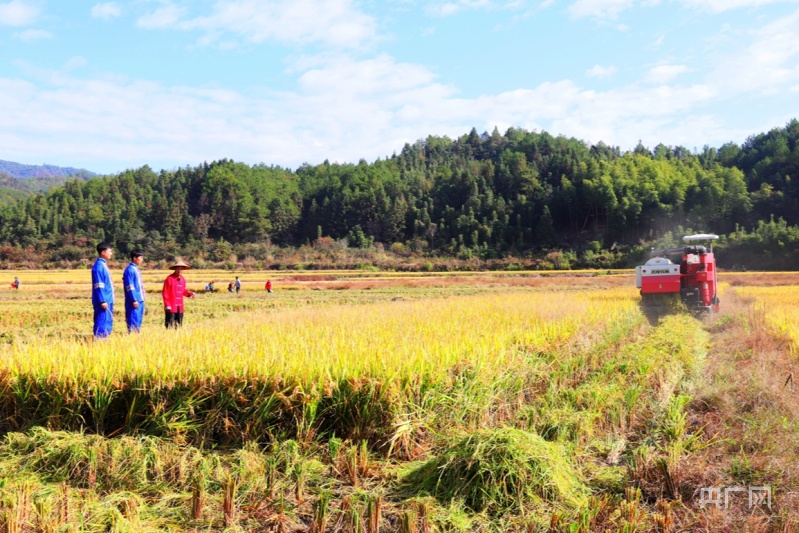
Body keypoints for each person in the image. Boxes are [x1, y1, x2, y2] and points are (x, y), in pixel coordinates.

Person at [162, 259, 195, 329]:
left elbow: (183, 291)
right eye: (178, 268)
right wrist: (167, 305)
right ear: (175, 269)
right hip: (171, 306)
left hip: (180, 307)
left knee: (179, 326)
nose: (180, 270)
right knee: (169, 326)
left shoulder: (183, 279)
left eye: (181, 269)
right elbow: (165, 292)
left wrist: (190, 294)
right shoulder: (169, 279)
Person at [91, 242, 115, 338]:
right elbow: (99, 285)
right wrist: (102, 301)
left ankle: (105, 339)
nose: (111, 253)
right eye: (110, 251)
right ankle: (100, 340)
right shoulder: (99, 267)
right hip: (103, 301)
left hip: (108, 299)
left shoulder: (103, 265)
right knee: (102, 321)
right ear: (103, 252)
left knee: (107, 321)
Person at [123, 249, 146, 333]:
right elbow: (130, 286)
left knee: (138, 320)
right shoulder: (130, 270)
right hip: (134, 300)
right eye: (141, 258)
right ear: (135, 258)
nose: (142, 260)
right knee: (133, 319)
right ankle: (133, 336)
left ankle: (136, 335)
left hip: (140, 299)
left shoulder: (136, 269)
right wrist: (134, 299)